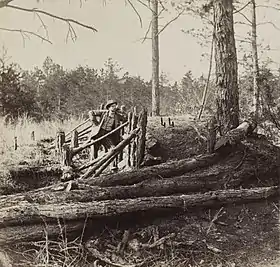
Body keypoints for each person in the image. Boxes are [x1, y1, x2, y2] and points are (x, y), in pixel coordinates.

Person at [89, 100, 127, 170]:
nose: (114, 108)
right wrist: (95, 123)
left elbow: (126, 118)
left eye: (115, 106)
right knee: (94, 150)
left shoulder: (117, 116)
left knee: (112, 149)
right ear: (108, 108)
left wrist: (121, 111)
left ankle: (113, 166)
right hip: (98, 134)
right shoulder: (103, 113)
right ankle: (92, 168)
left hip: (108, 135)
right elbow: (91, 112)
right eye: (112, 106)